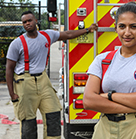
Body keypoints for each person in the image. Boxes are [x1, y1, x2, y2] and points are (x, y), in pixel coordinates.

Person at [6, 10, 98, 139]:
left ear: (36, 21)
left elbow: (68, 34)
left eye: (29, 20)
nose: (27, 23)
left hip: (43, 80)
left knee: (53, 116)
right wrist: (12, 93)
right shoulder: (17, 43)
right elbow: (9, 69)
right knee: (28, 122)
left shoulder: (47, 35)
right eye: (24, 22)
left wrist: (87, 30)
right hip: (24, 82)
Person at [83, 2, 136, 139]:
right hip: (105, 130)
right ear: (116, 28)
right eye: (122, 26)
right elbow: (89, 101)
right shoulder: (102, 60)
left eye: (133, 27)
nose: (127, 33)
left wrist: (109, 96)